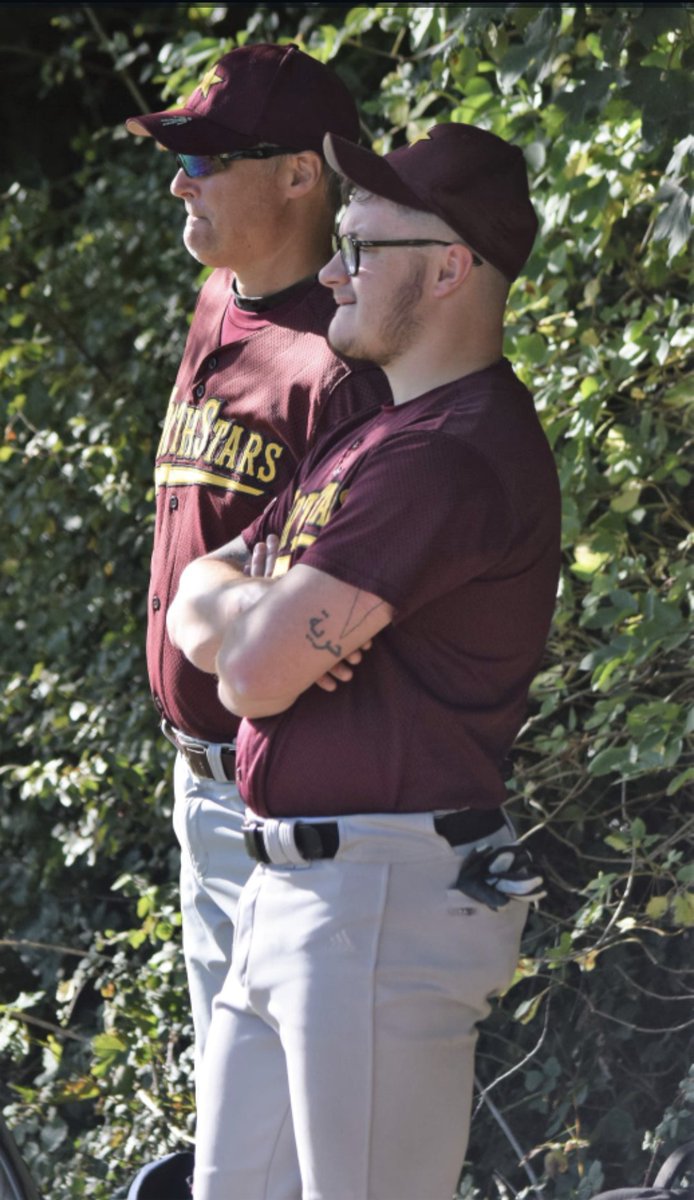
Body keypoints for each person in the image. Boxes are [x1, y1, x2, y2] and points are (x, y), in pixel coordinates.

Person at [167, 121, 561, 1200]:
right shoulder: (369, 434)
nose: (330, 269)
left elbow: (244, 677)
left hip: (379, 900)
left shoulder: (451, 455)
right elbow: (199, 599)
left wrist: (254, 629)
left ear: (449, 268)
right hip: (291, 892)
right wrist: (253, 619)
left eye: (361, 246)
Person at [122, 41, 390, 1199]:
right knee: (234, 1127)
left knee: (287, 1143)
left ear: (299, 177)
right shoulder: (214, 299)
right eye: (178, 155)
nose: (179, 179)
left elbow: (328, 611)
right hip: (198, 787)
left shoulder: (343, 356)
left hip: (284, 793)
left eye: (204, 157)